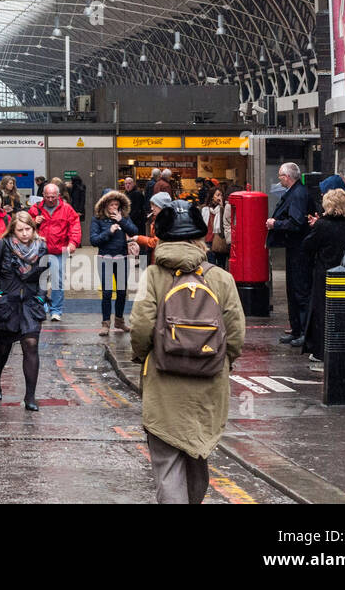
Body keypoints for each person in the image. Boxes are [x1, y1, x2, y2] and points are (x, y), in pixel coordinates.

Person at [130, 200, 246, 504]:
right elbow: (235, 333)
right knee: (197, 452)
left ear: (162, 237)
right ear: (200, 236)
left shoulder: (152, 276)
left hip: (164, 379)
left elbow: (141, 326)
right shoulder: (221, 278)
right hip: (209, 381)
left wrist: (144, 356)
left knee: (167, 462)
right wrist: (223, 361)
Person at [0, 210, 49, 408]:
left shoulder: (41, 246)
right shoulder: (3, 244)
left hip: (30, 304)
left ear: (33, 228)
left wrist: (40, 296)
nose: (24, 233)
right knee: (3, 348)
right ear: (13, 229)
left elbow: (46, 274)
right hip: (7, 303)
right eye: (20, 230)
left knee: (30, 344)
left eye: (28, 229)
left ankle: (30, 397)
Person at [302, 187, 345, 366]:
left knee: (325, 315)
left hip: (326, 278)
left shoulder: (323, 225)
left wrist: (316, 225)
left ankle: (323, 352)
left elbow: (307, 247)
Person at [267, 162, 311, 347]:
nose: (279, 179)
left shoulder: (298, 194)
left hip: (300, 249)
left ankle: (303, 332)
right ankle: (296, 329)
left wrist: (275, 224)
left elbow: (297, 223)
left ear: (287, 177)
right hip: (293, 248)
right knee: (292, 290)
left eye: (280, 176)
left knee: (300, 291)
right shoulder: (294, 193)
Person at [29, 182, 80, 320]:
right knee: (39, 280)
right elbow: (23, 226)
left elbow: (74, 225)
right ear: (43, 196)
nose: (50, 199)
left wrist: (73, 243)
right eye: (47, 197)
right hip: (40, 251)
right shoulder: (35, 209)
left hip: (59, 250)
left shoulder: (67, 209)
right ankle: (41, 306)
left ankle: (56, 310)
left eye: (53, 197)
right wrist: (34, 221)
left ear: (58, 195)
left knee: (57, 281)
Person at [91, 189, 139, 335]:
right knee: (106, 292)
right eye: (111, 204)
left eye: (116, 204)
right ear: (105, 204)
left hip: (122, 258)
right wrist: (109, 231)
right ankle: (105, 323)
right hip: (105, 258)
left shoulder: (123, 217)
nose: (114, 208)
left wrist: (121, 220)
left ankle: (119, 321)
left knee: (122, 292)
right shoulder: (97, 219)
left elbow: (133, 230)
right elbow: (94, 240)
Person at [201, 186, 232, 270]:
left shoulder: (223, 209)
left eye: (221, 195)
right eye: (218, 195)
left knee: (221, 266)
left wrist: (222, 207)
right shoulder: (205, 209)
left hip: (219, 241)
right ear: (212, 196)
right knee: (211, 267)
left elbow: (225, 223)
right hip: (208, 241)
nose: (220, 197)